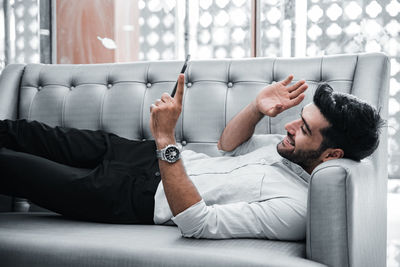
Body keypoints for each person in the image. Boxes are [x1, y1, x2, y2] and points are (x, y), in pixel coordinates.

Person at [0, 74, 383, 240]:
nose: (288, 128)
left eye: (304, 129)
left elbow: (197, 223)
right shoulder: (290, 152)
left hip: (131, 196)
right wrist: (255, 107)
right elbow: (227, 146)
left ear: (332, 154)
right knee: (26, 133)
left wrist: (166, 136)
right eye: (298, 119)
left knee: (12, 167)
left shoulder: (296, 208)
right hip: (139, 155)